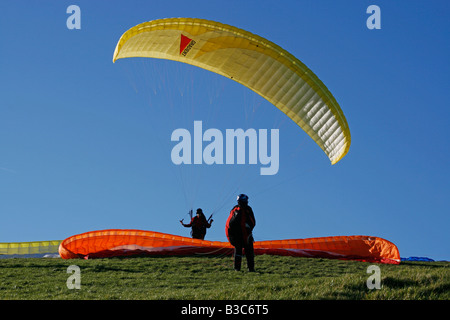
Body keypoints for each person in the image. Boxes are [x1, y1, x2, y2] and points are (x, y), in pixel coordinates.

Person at [225, 194, 256, 272]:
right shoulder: (236, 210)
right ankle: (241, 268)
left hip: (244, 234)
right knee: (242, 251)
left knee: (246, 252)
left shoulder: (247, 209)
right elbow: (230, 224)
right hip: (239, 235)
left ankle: (247, 268)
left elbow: (253, 222)